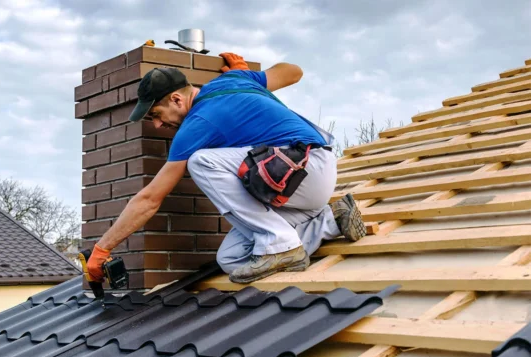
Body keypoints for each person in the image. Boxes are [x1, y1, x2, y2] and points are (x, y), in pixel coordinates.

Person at [85, 52, 365, 284]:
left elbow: (149, 199)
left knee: (201, 161)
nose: (157, 125)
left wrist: (103, 248)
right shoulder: (235, 79)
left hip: (305, 168)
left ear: (177, 100)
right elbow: (294, 71)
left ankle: (281, 243)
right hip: (299, 186)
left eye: (156, 115)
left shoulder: (197, 124)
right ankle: (331, 220)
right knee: (231, 259)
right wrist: (250, 78)